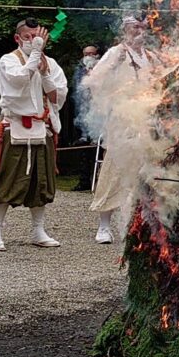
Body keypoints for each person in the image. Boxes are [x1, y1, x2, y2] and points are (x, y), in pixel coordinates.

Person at [0, 18, 68, 251]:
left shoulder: (49, 62)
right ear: (17, 38)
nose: (34, 41)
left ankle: (38, 230)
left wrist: (45, 70)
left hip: (43, 128)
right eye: (29, 37)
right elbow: (17, 82)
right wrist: (34, 55)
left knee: (41, 182)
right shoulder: (8, 60)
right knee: (6, 179)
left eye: (37, 37)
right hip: (15, 126)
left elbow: (57, 97)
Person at [88, 17, 159, 244]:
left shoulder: (152, 57)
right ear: (125, 31)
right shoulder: (116, 53)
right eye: (134, 27)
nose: (139, 31)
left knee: (148, 171)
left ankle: (142, 222)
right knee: (115, 170)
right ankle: (104, 226)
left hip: (148, 121)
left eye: (142, 27)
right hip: (123, 119)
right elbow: (94, 81)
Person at [71, 42, 102, 191]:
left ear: (97, 55)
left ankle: (98, 182)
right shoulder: (79, 70)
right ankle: (83, 181)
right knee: (84, 150)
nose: (88, 57)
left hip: (99, 114)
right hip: (83, 115)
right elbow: (77, 91)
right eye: (86, 54)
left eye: (91, 54)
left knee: (98, 148)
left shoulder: (104, 68)